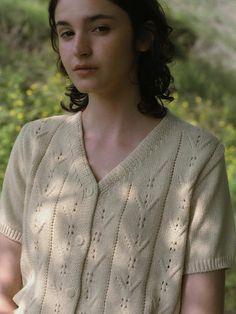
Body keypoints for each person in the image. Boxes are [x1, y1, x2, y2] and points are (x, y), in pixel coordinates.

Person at [0, 0, 235, 313]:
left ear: (143, 37)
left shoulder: (197, 157)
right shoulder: (36, 143)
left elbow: (202, 308)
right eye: (67, 33)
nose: (80, 48)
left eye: (100, 28)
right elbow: (4, 284)